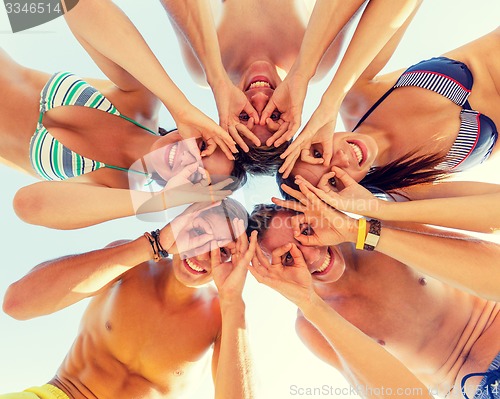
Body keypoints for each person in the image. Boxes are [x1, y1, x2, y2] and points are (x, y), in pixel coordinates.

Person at [247, 175, 500, 399]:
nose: (311, 256)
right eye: (289, 258)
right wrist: (308, 303)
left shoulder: (380, 226)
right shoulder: (311, 324)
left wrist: (356, 231)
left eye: (306, 231)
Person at [3, 0, 248, 230]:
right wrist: (180, 107)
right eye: (202, 146)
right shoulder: (141, 99)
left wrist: (161, 202)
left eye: (195, 175)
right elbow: (76, 5)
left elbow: (27, 204)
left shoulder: (118, 188)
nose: (189, 157)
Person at [1, 199, 256, 399]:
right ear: (180, 225)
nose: (203, 253)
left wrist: (233, 300)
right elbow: (17, 304)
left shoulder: (223, 318)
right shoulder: (134, 266)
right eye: (198, 231)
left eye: (223, 250)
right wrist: (153, 244)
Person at [160, 0, 423, 174]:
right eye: (274, 116)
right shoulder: (315, 65)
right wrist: (311, 79)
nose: (261, 98)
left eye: (244, 115)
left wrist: (215, 75)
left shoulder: (206, 69)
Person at [278, 27, 500, 195]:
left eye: (318, 154)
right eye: (333, 181)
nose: (340, 159)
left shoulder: (354, 96)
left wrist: (331, 100)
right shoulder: (410, 187)